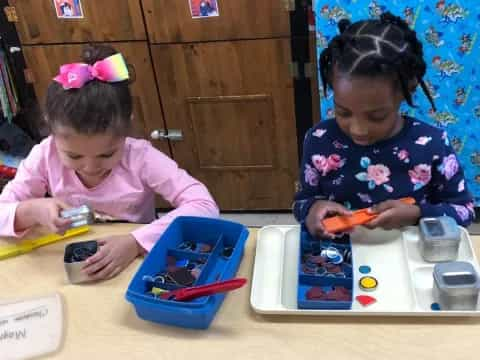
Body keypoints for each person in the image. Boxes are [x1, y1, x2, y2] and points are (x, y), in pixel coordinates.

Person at [0, 44, 219, 280]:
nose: (90, 167)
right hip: (66, 264)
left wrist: (136, 242)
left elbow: (204, 205)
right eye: (74, 156)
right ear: (50, 129)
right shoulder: (45, 155)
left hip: (132, 262)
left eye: (106, 155)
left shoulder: (140, 157)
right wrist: (31, 210)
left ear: (126, 129)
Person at [293, 12, 474, 238]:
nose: (358, 129)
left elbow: (464, 212)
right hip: (341, 257)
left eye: (377, 116)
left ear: (408, 90)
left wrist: (417, 214)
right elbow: (302, 202)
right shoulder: (318, 140)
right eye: (343, 112)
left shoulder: (432, 144)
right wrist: (312, 209)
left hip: (410, 260)